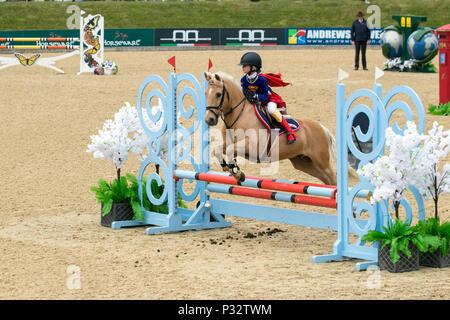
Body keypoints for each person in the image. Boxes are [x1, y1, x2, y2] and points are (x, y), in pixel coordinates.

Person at [238, 52, 297, 144]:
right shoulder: (243, 80)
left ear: (253, 67)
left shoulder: (261, 80)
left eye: (245, 65)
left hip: (269, 100)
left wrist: (255, 96)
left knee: (271, 110)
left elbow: (265, 96)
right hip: (255, 101)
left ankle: (290, 133)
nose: (242, 67)